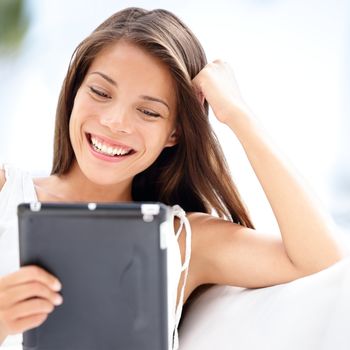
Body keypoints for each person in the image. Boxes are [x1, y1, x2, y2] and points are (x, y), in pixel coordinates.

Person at [0, 6, 346, 349]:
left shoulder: (182, 239)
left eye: (149, 111)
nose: (115, 121)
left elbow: (321, 259)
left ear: (174, 133)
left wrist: (236, 113)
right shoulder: (5, 192)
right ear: (74, 91)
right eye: (101, 92)